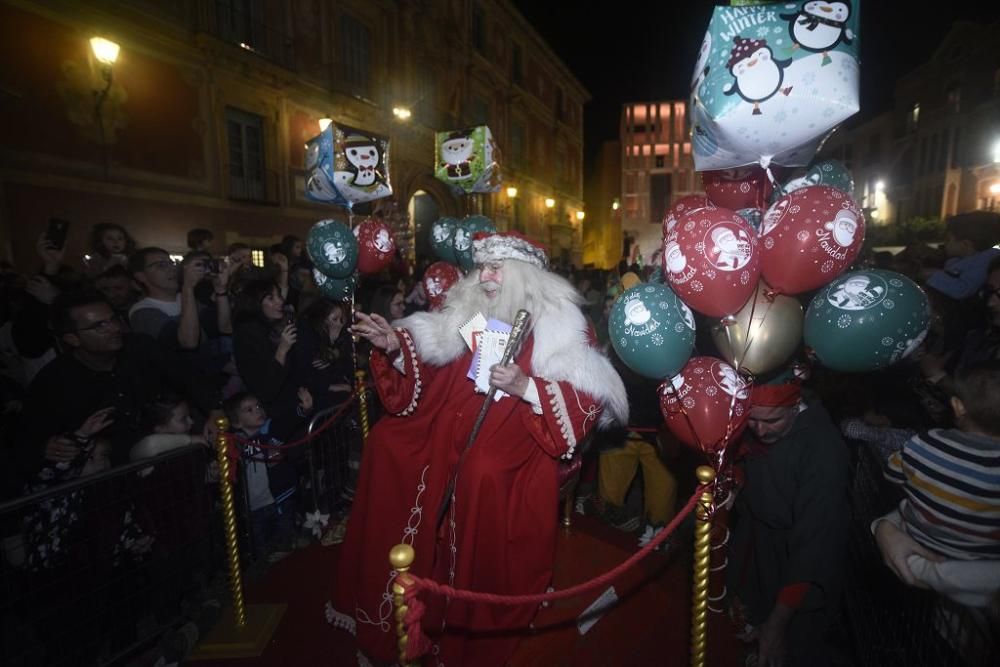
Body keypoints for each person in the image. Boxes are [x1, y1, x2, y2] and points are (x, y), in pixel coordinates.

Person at [328, 232, 628, 666]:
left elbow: (586, 399)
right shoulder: (471, 309)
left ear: (524, 274)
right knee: (388, 446)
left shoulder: (561, 323)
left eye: (495, 267)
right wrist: (396, 344)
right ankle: (399, 592)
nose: (484, 275)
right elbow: (438, 362)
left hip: (521, 430)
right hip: (450, 416)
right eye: (482, 267)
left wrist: (526, 386)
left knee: (481, 470)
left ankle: (468, 605)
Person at [727, 374, 850, 667]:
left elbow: (814, 545)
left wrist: (777, 625)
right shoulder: (765, 425)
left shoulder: (824, 451)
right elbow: (750, 458)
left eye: (771, 421)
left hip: (796, 561)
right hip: (754, 543)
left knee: (791, 647)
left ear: (796, 406)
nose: (759, 430)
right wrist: (737, 480)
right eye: (752, 420)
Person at [871, 360, 1000, 608]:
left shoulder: (927, 444)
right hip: (977, 561)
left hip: (920, 547)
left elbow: (892, 473)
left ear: (958, 407)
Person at [224, 389, 311, 561]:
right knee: (261, 548)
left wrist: (302, 410)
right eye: (249, 410)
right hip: (253, 506)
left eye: (257, 406)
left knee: (286, 538)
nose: (257, 410)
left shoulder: (269, 432)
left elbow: (286, 422)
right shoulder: (233, 442)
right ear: (237, 423)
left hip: (279, 497)